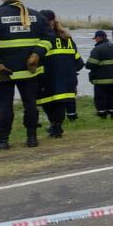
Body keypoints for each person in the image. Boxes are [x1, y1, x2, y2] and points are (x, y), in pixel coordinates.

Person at [0, 0, 53, 149]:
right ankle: (32, 138)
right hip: (30, 71)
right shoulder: (35, 16)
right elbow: (49, 38)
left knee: (4, 105)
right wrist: (36, 54)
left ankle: (3, 140)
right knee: (30, 104)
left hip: (4, 72)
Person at [36, 10, 83, 139]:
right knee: (59, 103)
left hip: (47, 78)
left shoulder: (39, 39)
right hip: (67, 79)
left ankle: (55, 127)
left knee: (48, 103)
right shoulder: (67, 38)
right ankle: (56, 127)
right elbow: (79, 62)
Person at [87, 30, 113, 118]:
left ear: (99, 37)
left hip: (101, 80)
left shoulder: (97, 49)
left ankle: (102, 114)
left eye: (96, 38)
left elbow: (91, 64)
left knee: (100, 97)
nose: (95, 40)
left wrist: (86, 65)